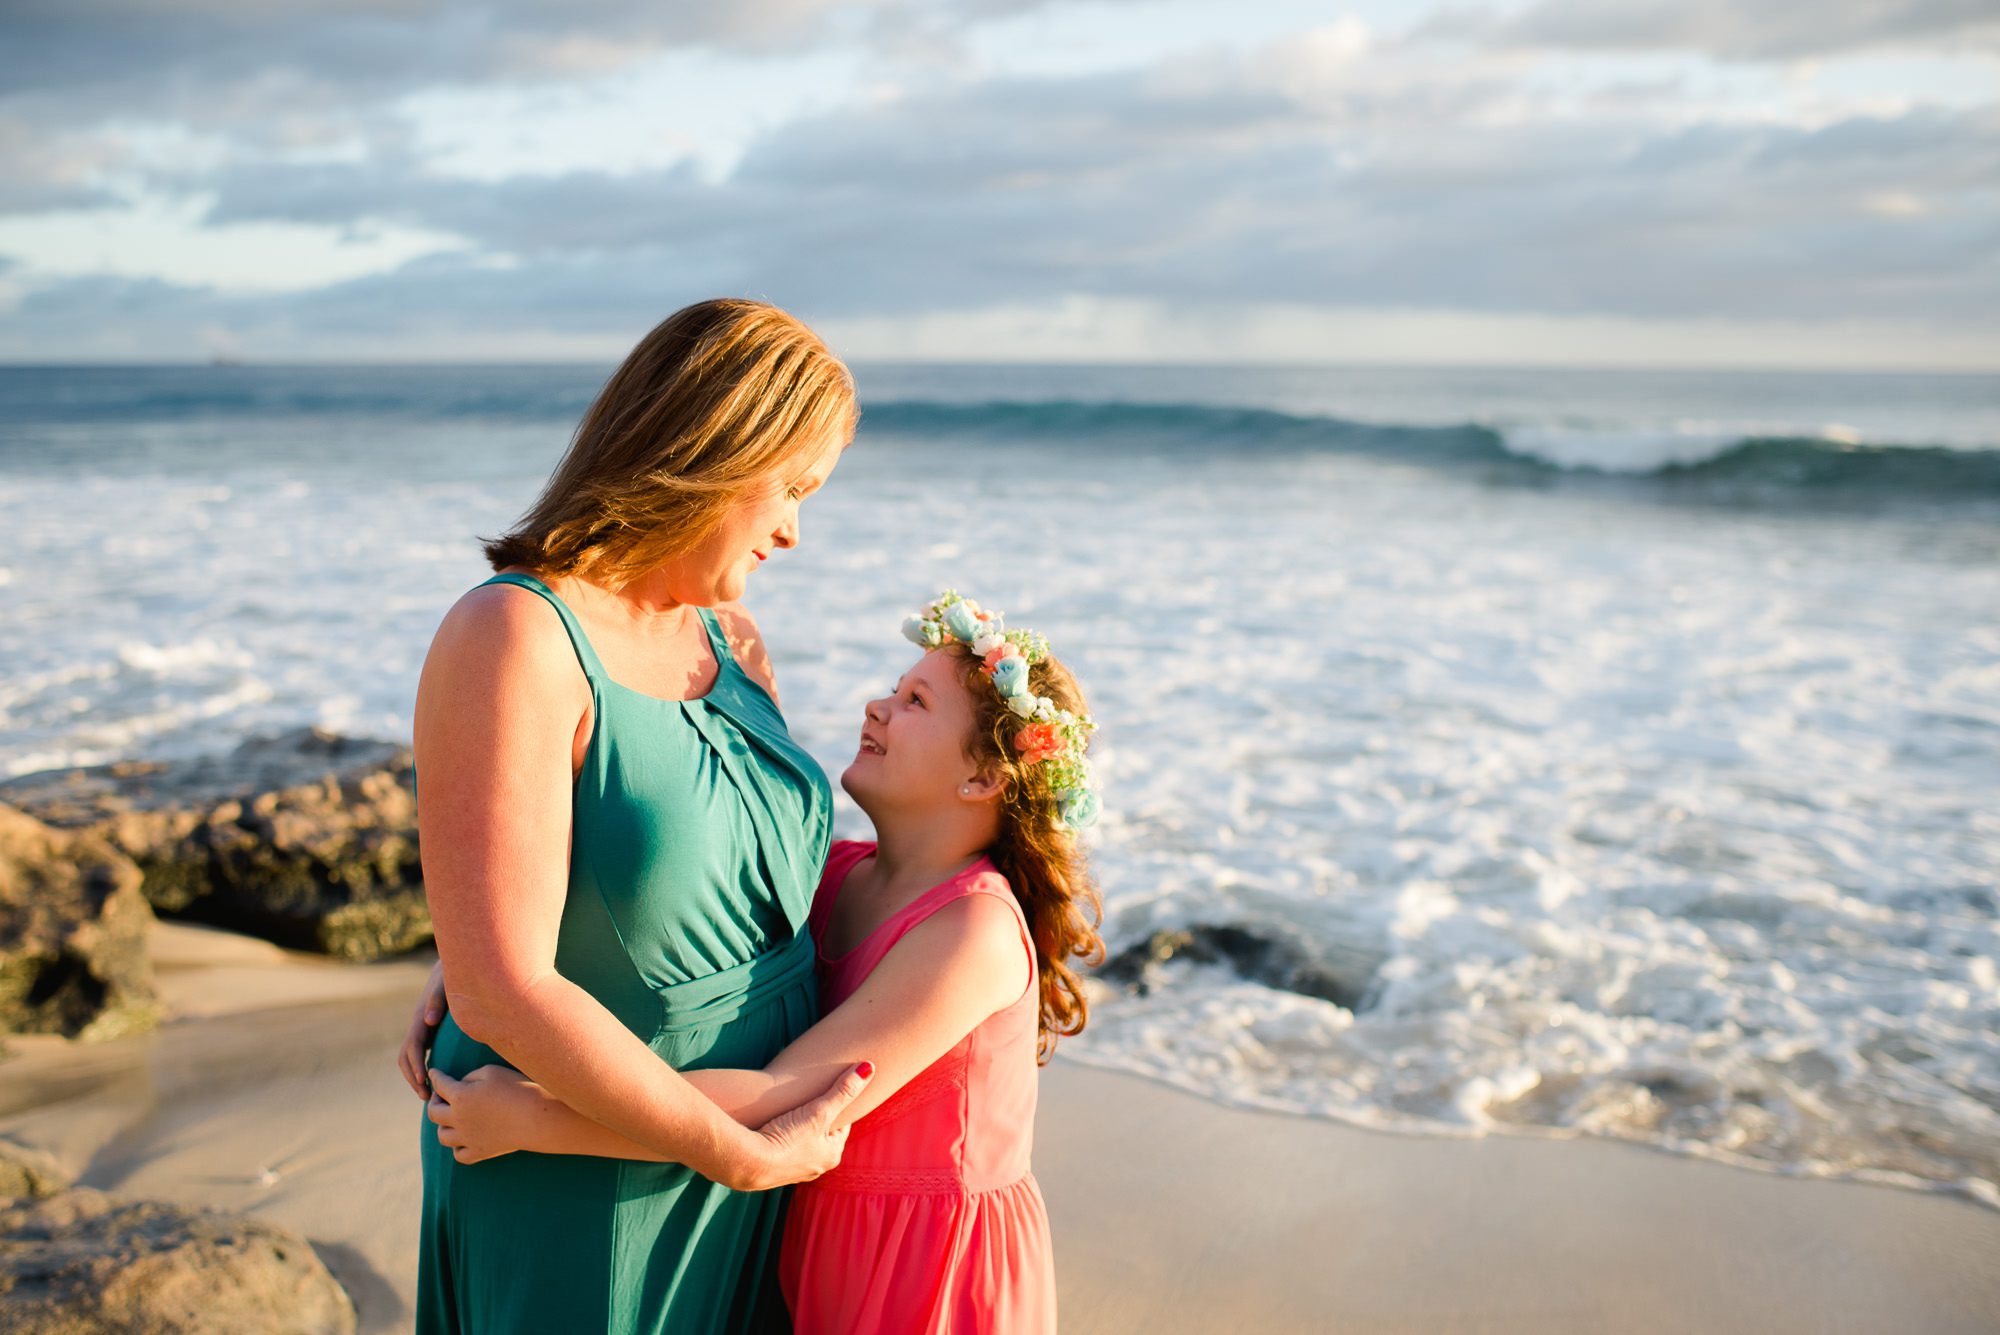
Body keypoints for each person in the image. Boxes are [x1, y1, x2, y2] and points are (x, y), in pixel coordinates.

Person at [411, 591, 1105, 1333]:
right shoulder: (835, 875)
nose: (876, 705)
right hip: (818, 1230)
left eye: (914, 701)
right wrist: (481, 952)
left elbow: (782, 1092)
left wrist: (540, 1118)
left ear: (983, 780)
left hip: (926, 1262)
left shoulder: (974, 931)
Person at [407, 299, 873, 1335]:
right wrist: (733, 1152)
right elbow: (506, 988)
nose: (795, 531)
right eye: (789, 490)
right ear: (712, 449)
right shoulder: (514, 635)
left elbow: (741, 883)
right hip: (584, 1155)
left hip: (741, 1137)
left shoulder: (733, 640)